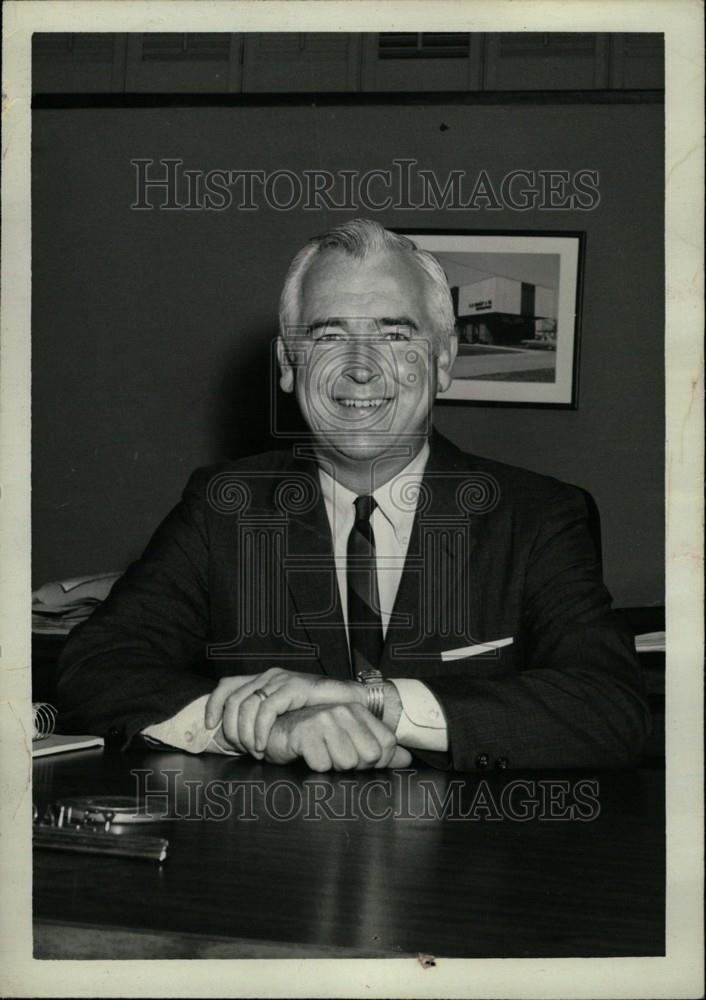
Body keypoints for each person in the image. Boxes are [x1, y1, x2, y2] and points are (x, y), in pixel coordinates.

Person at [56, 219, 649, 772]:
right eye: (328, 335)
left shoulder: (539, 516)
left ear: (443, 361)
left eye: (395, 334)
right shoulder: (224, 505)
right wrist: (262, 727)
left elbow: (614, 707)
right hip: (268, 866)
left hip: (470, 863)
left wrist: (379, 702)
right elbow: (95, 666)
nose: (361, 368)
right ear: (290, 366)